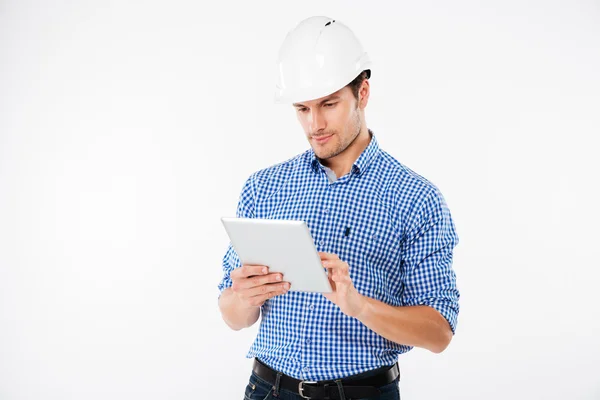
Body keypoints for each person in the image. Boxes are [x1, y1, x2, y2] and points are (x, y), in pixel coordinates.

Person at [218, 16, 460, 400]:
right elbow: (232, 315)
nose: (315, 124)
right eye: (302, 109)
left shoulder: (416, 199)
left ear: (362, 93)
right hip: (267, 389)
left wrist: (359, 305)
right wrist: (244, 298)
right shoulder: (264, 187)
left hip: (361, 393)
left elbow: (440, 332)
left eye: (329, 104)